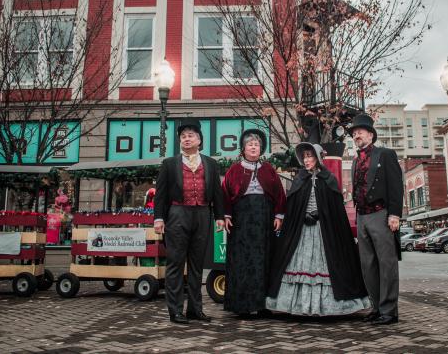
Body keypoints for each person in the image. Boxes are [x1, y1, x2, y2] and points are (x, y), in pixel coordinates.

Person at [266, 142, 369, 316]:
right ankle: (297, 305)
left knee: (325, 264)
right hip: (302, 230)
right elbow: (293, 205)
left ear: (318, 158)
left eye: (310, 156)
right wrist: (302, 215)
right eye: (304, 157)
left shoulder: (329, 179)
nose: (306, 160)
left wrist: (320, 214)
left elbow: (335, 209)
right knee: (297, 262)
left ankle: (327, 306)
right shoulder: (300, 178)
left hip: (324, 231)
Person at [154, 117, 225, 324]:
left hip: (203, 214)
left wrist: (219, 216)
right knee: (175, 264)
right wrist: (159, 218)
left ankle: (195, 309)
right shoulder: (169, 164)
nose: (187, 139)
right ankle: (175, 311)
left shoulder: (211, 163)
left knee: (196, 265)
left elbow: (217, 192)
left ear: (199, 140)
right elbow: (160, 194)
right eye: (183, 136)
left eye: (191, 135)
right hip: (177, 213)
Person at [222, 128, 286, 317]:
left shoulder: (268, 169)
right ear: (243, 148)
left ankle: (263, 305)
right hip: (241, 221)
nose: (253, 147)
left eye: (256, 145)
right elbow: (224, 193)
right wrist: (226, 215)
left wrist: (278, 216)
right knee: (242, 261)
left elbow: (279, 194)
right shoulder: (234, 169)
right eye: (250, 144)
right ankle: (242, 305)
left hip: (264, 220)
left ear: (261, 148)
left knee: (264, 261)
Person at [349, 113, 403, 325]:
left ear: (370, 134)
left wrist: (395, 214)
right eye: (354, 133)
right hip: (362, 215)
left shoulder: (386, 154)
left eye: (359, 132)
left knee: (386, 263)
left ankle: (389, 311)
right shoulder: (355, 161)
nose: (356, 135)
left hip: (381, 214)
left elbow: (396, 185)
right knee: (367, 264)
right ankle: (377, 306)